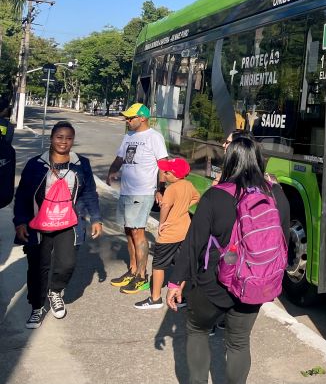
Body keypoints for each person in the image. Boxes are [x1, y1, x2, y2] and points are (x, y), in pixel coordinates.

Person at [166, 134, 290, 384]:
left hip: (214, 282)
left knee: (197, 329)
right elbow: (282, 242)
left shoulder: (215, 196)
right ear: (259, 160)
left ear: (230, 160)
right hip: (254, 282)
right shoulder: (276, 195)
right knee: (239, 343)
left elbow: (193, 243)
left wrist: (175, 281)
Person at [12, 121, 102, 329]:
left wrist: (96, 218)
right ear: (51, 138)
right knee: (38, 267)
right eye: (59, 137)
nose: (63, 141)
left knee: (67, 264)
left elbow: (89, 193)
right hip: (38, 223)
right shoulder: (36, 164)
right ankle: (36, 306)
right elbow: (24, 195)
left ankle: (55, 291)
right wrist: (20, 222)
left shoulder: (81, 164)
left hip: (68, 223)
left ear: (73, 140)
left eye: (68, 138)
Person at [107, 103, 168, 295]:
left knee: (138, 232)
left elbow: (163, 165)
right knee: (128, 231)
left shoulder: (154, 137)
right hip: (126, 191)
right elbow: (120, 158)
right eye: (126, 117)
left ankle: (142, 277)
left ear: (142, 118)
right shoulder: (129, 136)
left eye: (130, 117)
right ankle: (132, 270)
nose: (127, 120)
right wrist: (112, 171)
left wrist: (161, 189)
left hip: (142, 192)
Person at [134, 157, 199, 310]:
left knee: (158, 265)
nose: (164, 173)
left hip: (169, 233)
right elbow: (197, 197)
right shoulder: (188, 185)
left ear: (175, 175)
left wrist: (161, 223)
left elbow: (165, 207)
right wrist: (183, 209)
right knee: (182, 264)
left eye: (167, 172)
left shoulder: (171, 189)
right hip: (185, 230)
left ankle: (155, 299)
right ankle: (179, 297)